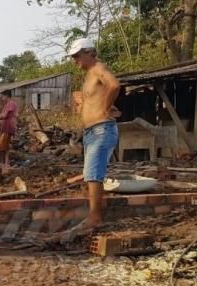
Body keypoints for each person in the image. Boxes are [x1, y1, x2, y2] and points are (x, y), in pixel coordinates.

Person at [69, 37, 120, 231]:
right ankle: (93, 215)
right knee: (90, 174)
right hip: (92, 131)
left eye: (77, 56)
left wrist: (105, 107)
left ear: (90, 52)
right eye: (73, 57)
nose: (75, 60)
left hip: (101, 129)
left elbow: (114, 85)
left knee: (93, 174)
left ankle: (95, 218)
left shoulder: (98, 68)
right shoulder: (90, 74)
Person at [0, 90, 18, 167]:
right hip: (4, 127)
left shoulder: (11, 104)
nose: (2, 98)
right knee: (4, 146)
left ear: (6, 96)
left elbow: (4, 115)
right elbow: (2, 115)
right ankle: (5, 163)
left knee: (1, 146)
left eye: (3, 96)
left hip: (8, 127)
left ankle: (5, 163)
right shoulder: (7, 104)